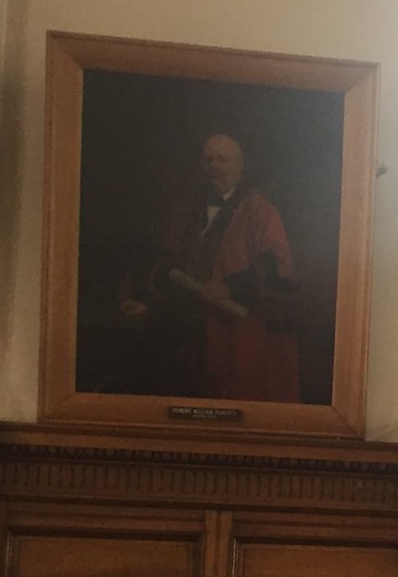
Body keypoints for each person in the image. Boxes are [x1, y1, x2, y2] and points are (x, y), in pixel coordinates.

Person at [118, 130, 301, 403]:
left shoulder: (259, 210)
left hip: (240, 333)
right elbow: (168, 267)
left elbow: (277, 268)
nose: (215, 166)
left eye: (222, 159)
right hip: (190, 332)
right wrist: (149, 306)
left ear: (239, 165)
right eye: (208, 160)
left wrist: (228, 287)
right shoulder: (185, 210)